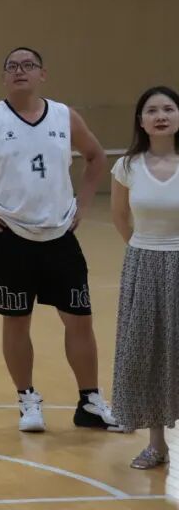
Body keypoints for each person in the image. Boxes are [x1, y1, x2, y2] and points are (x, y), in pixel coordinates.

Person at [0, 47, 119, 432]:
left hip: (59, 233)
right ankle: (27, 400)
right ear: (4, 77)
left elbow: (96, 156)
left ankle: (90, 401)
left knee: (80, 319)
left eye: (28, 65)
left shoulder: (66, 116)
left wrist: (83, 204)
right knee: (17, 321)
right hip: (9, 234)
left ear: (42, 74)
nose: (20, 71)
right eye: (12, 66)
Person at [110, 85, 179, 469]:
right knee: (149, 354)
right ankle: (156, 444)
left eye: (168, 108)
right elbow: (120, 216)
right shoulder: (127, 166)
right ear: (141, 121)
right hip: (144, 265)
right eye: (152, 110)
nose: (161, 116)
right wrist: (144, 249)